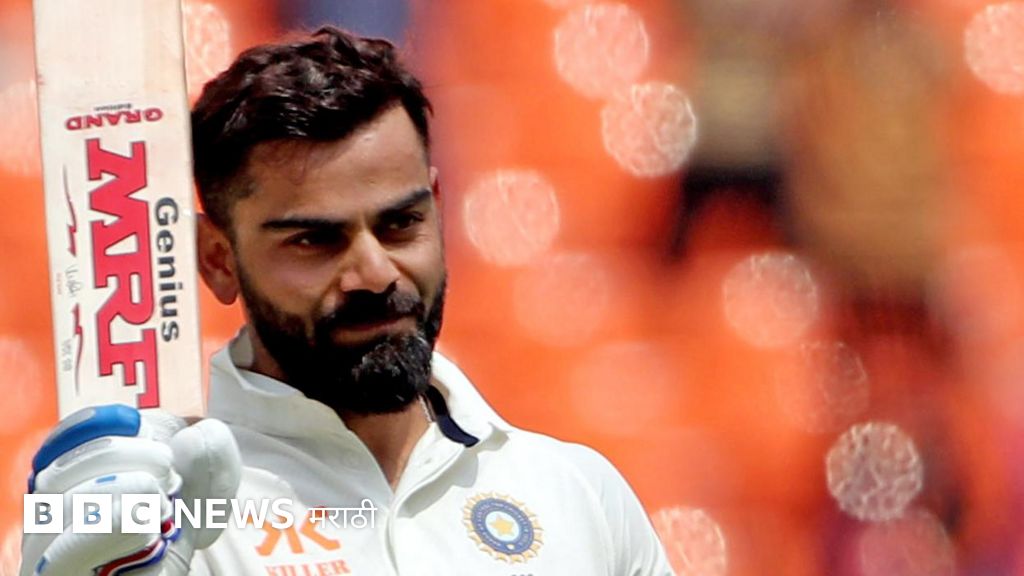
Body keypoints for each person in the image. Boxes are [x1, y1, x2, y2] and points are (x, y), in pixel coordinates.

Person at [22, 26, 674, 575]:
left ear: (438, 207)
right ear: (217, 259)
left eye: (401, 224)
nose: (375, 273)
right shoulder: (150, 512)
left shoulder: (578, 495)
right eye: (315, 240)